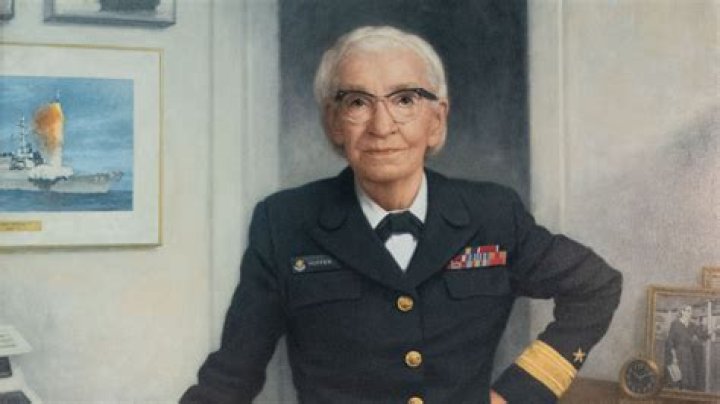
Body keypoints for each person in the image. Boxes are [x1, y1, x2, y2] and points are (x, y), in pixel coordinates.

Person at [181, 25, 622, 404]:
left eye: (405, 99)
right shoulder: (285, 222)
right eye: (358, 102)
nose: (381, 126)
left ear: (437, 119)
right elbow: (232, 375)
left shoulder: (492, 214)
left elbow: (596, 286)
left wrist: (520, 393)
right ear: (334, 122)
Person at [665, 304, 709, 391]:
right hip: (678, 354)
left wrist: (713, 330)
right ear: (682, 311)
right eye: (688, 311)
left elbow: (702, 335)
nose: (690, 313)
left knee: (687, 380)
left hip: (688, 355)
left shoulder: (692, 325)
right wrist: (673, 358)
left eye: (691, 311)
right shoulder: (675, 324)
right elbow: (670, 342)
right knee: (677, 379)